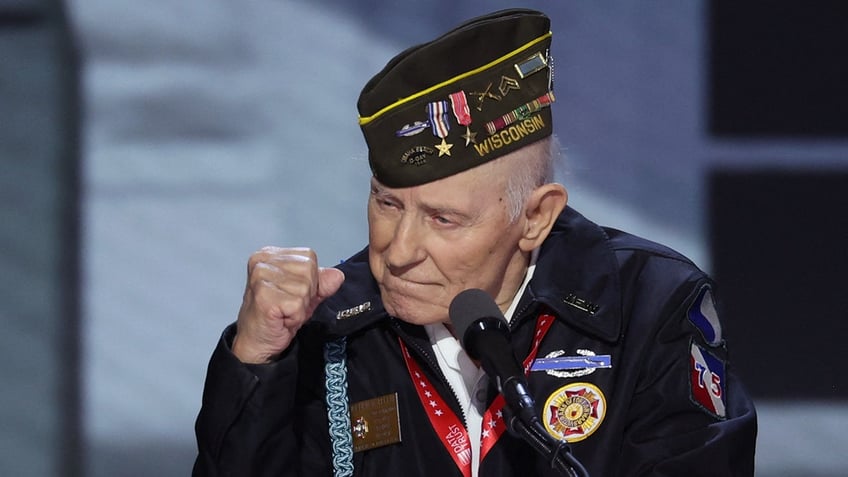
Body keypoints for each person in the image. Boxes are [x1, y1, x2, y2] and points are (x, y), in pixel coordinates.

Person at [192, 8, 757, 477]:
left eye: (443, 219)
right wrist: (254, 362)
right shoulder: (330, 324)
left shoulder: (650, 304)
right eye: (387, 204)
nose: (399, 250)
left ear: (536, 217)